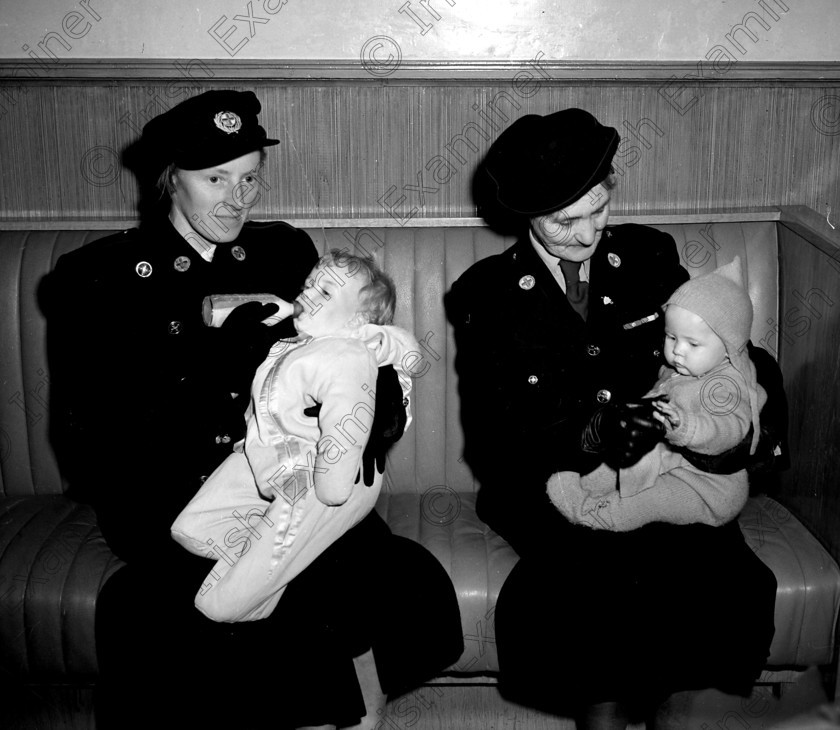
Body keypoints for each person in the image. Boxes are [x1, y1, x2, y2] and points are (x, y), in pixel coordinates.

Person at [45, 90, 462, 730]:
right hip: (171, 494)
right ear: (169, 180)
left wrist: (373, 413)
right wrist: (211, 362)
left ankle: (355, 711)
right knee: (224, 607)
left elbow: (347, 356)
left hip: (295, 471)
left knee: (374, 576)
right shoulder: (100, 277)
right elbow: (91, 440)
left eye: (249, 179)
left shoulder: (286, 254)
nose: (237, 199)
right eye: (215, 179)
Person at [446, 108, 783, 728]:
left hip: (672, 465)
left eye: (598, 210)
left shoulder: (650, 258)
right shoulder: (485, 294)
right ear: (524, 215)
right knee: (596, 584)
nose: (585, 234)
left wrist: (726, 442)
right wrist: (593, 432)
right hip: (552, 477)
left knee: (723, 581)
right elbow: (495, 437)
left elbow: (732, 359)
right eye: (563, 221)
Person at [171, 250, 421, 623]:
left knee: (218, 604)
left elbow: (344, 431)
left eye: (325, 294)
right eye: (309, 286)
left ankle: (251, 591)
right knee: (190, 529)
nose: (307, 295)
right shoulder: (293, 344)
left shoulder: (348, 353)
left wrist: (332, 484)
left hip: (321, 478)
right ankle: (293, 554)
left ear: (358, 320)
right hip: (269, 459)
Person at [548, 256, 768, 532]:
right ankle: (578, 488)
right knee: (607, 469)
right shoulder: (677, 370)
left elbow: (729, 429)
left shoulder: (727, 385)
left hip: (706, 487)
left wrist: (686, 426)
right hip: (668, 460)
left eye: (692, 343)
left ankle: (589, 515)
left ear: (729, 347)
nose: (677, 350)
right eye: (671, 337)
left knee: (642, 502)